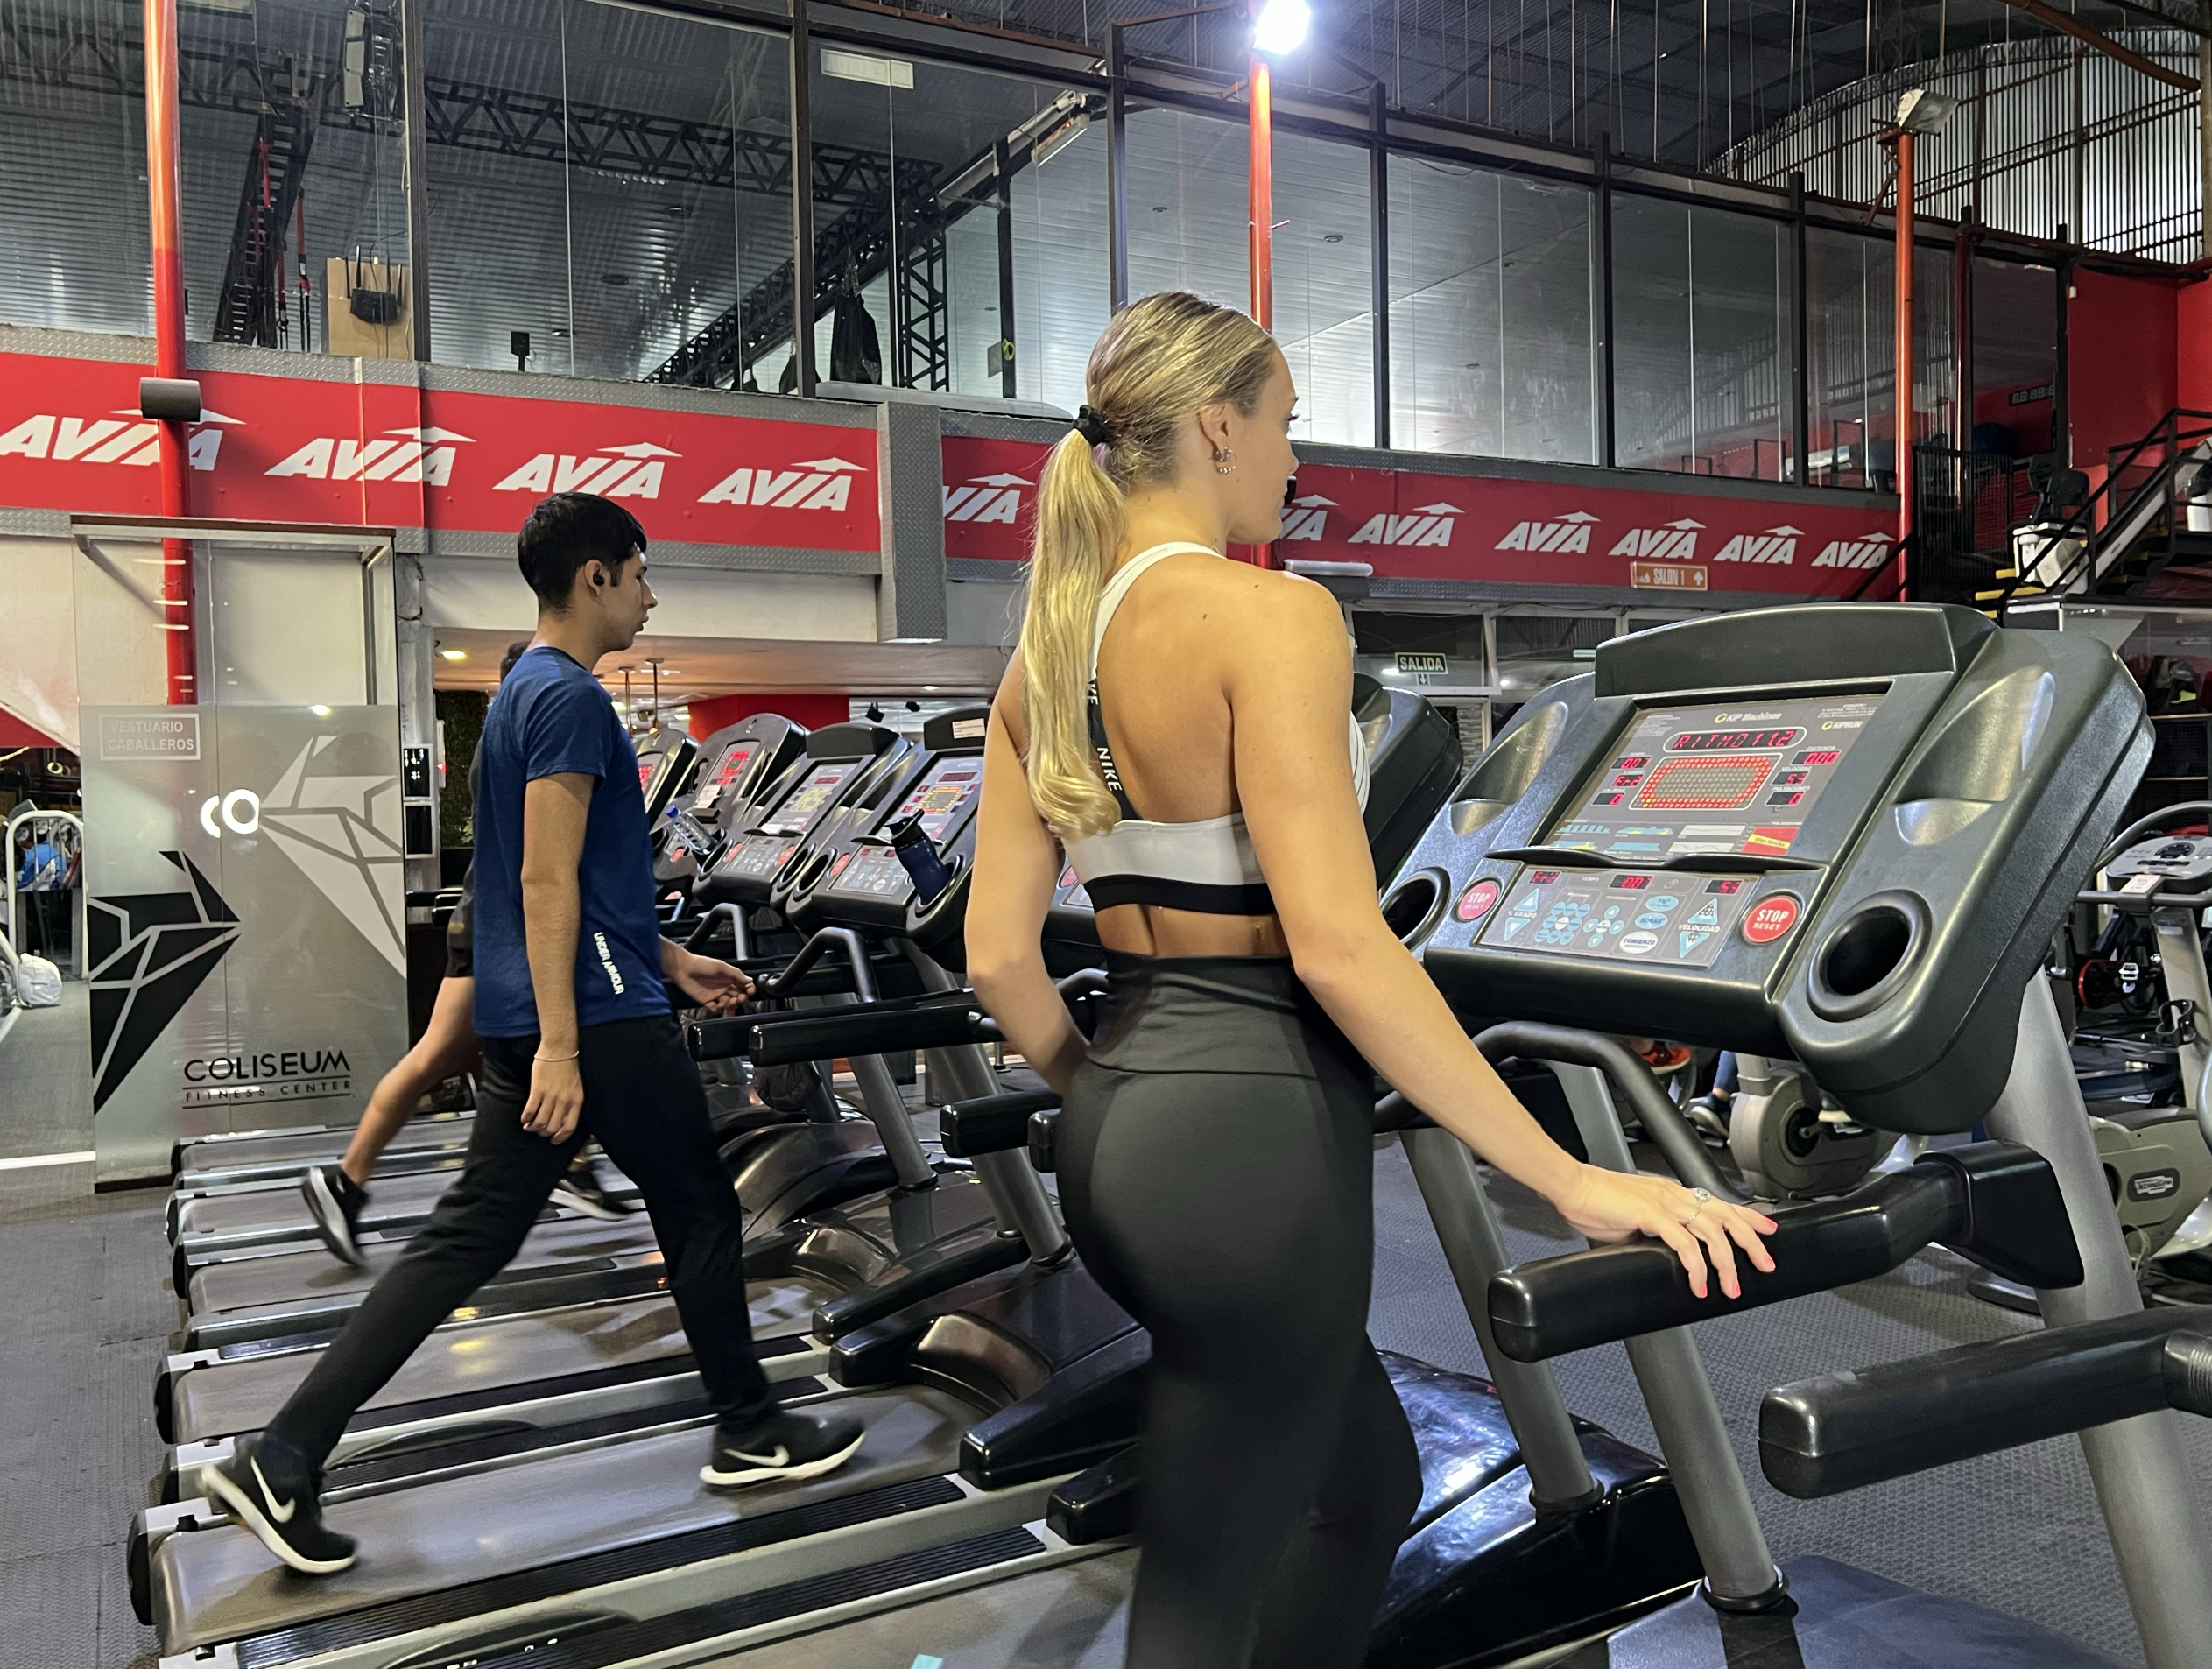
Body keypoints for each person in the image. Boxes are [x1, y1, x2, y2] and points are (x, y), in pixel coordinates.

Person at [963, 292, 1779, 1669]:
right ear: (1215, 426)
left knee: (1367, 1484)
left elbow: (997, 955)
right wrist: (1570, 1178)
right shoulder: (1272, 615)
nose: (1296, 458)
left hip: (1115, 1126)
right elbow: (1340, 947)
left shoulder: (1041, 660)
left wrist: (1121, 1098)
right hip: (1251, 1139)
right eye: (1286, 423)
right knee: (1203, 1583)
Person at [208, 494, 862, 1574]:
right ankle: (750, 1429)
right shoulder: (568, 698)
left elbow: (569, 882)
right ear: (594, 576)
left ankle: (284, 1454)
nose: (651, 597)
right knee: (700, 1208)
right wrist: (565, 1043)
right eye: (641, 574)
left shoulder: (521, 692)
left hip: (552, 1005)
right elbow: (545, 879)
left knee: (470, 1234)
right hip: (593, 1020)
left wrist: (671, 959)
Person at [301, 642, 631, 1270]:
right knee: (455, 1053)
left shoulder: (497, 745)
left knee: (483, 1051)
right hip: (501, 926)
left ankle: (573, 1165)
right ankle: (345, 1180)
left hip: (484, 916)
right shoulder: (534, 741)